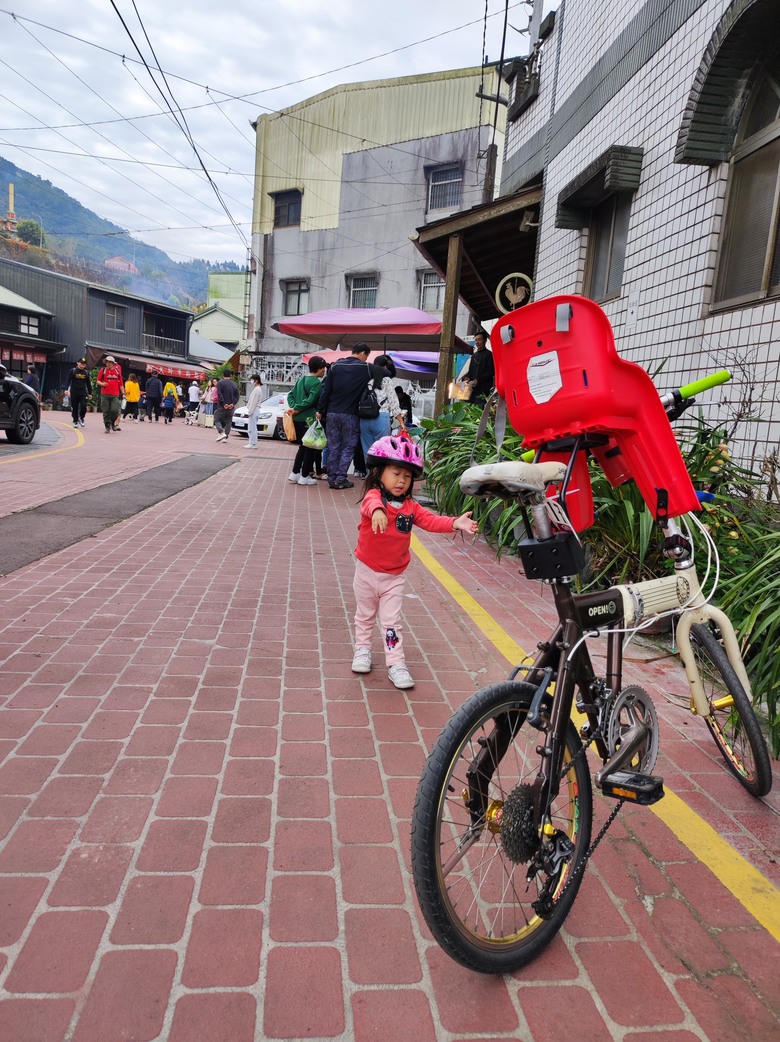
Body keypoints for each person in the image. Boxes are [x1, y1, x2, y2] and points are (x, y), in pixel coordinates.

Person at [351, 435, 478, 690]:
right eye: (396, 473)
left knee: (391, 622)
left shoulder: (410, 507)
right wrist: (377, 511)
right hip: (365, 571)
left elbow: (431, 521)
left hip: (394, 578)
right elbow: (370, 503)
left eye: (407, 477)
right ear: (379, 473)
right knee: (364, 616)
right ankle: (362, 650)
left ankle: (395, 663)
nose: (401, 480)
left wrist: (455, 522)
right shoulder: (374, 497)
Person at [316, 342, 385, 490]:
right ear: (363, 354)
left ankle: (331, 477)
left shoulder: (335, 367)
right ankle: (341, 478)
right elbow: (386, 373)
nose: (366, 359)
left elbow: (326, 391)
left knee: (333, 446)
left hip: (332, 414)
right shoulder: (365, 368)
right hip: (350, 415)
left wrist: (320, 410)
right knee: (348, 446)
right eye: (366, 356)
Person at [285, 356, 327, 481]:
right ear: (319, 368)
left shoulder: (301, 380)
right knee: (310, 448)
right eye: (323, 368)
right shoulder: (316, 383)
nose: (324, 371)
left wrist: (294, 407)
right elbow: (311, 400)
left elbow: (290, 395)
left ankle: (295, 473)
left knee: (302, 447)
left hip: (297, 418)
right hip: (308, 419)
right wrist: (298, 407)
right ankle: (304, 476)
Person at [359, 354, 406, 466]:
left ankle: (370, 474)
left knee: (368, 450)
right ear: (385, 367)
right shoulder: (386, 380)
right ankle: (379, 475)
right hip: (381, 418)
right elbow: (394, 403)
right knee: (382, 450)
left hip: (364, 419)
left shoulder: (366, 378)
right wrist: (401, 422)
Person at [465, 329, 495, 407]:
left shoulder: (489, 354)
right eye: (476, 340)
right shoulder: (474, 355)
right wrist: (468, 377)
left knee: (479, 410)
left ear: (485, 341)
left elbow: (491, 372)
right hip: (472, 390)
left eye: (479, 340)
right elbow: (470, 371)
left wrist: (478, 380)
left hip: (483, 390)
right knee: (469, 409)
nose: (477, 342)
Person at [96, 355, 124, 433]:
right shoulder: (103, 370)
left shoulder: (117, 372)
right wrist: (102, 384)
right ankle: (107, 426)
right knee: (106, 411)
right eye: (107, 362)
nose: (108, 364)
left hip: (115, 394)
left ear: (113, 364)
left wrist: (123, 393)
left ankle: (112, 423)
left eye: (110, 362)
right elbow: (98, 381)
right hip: (105, 394)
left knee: (115, 410)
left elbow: (121, 384)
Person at [66, 358, 92, 428]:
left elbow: (88, 383)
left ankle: (81, 418)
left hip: (83, 392)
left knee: (84, 406)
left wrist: (90, 393)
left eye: (84, 363)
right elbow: (68, 380)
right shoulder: (72, 371)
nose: (82, 365)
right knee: (75, 407)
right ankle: (75, 421)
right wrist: (66, 390)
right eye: (81, 363)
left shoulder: (86, 372)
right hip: (74, 391)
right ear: (77, 363)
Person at [214, 372, 240, 442]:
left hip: (222, 406)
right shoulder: (234, 384)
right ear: (230, 376)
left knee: (217, 419)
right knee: (228, 421)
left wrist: (224, 404)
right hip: (231, 407)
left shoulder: (220, 383)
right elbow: (237, 395)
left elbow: (219, 394)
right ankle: (225, 437)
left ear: (223, 375)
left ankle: (221, 432)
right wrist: (232, 403)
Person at [244, 373, 264, 449]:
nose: (251, 381)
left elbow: (254, 402)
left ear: (256, 381)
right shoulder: (258, 389)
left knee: (251, 427)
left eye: (252, 380)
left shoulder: (257, 389)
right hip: (255, 409)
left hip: (254, 409)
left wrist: (250, 411)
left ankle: (252, 443)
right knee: (253, 427)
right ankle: (252, 442)